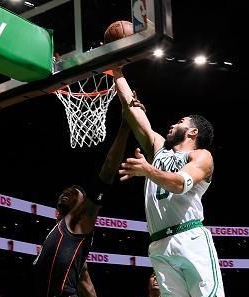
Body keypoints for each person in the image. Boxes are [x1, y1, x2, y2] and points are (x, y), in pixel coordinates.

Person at [113, 68, 225, 297]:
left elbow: (179, 184)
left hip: (190, 239)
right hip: (159, 245)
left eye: (180, 121)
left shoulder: (201, 156)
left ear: (193, 132)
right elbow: (134, 112)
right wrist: (118, 71)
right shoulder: (159, 148)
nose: (173, 124)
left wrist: (148, 170)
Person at [33, 114, 131, 297]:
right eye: (66, 190)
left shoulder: (79, 219)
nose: (67, 191)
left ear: (85, 204)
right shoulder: (65, 238)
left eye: (74, 192)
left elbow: (109, 168)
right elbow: (86, 284)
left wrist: (125, 126)